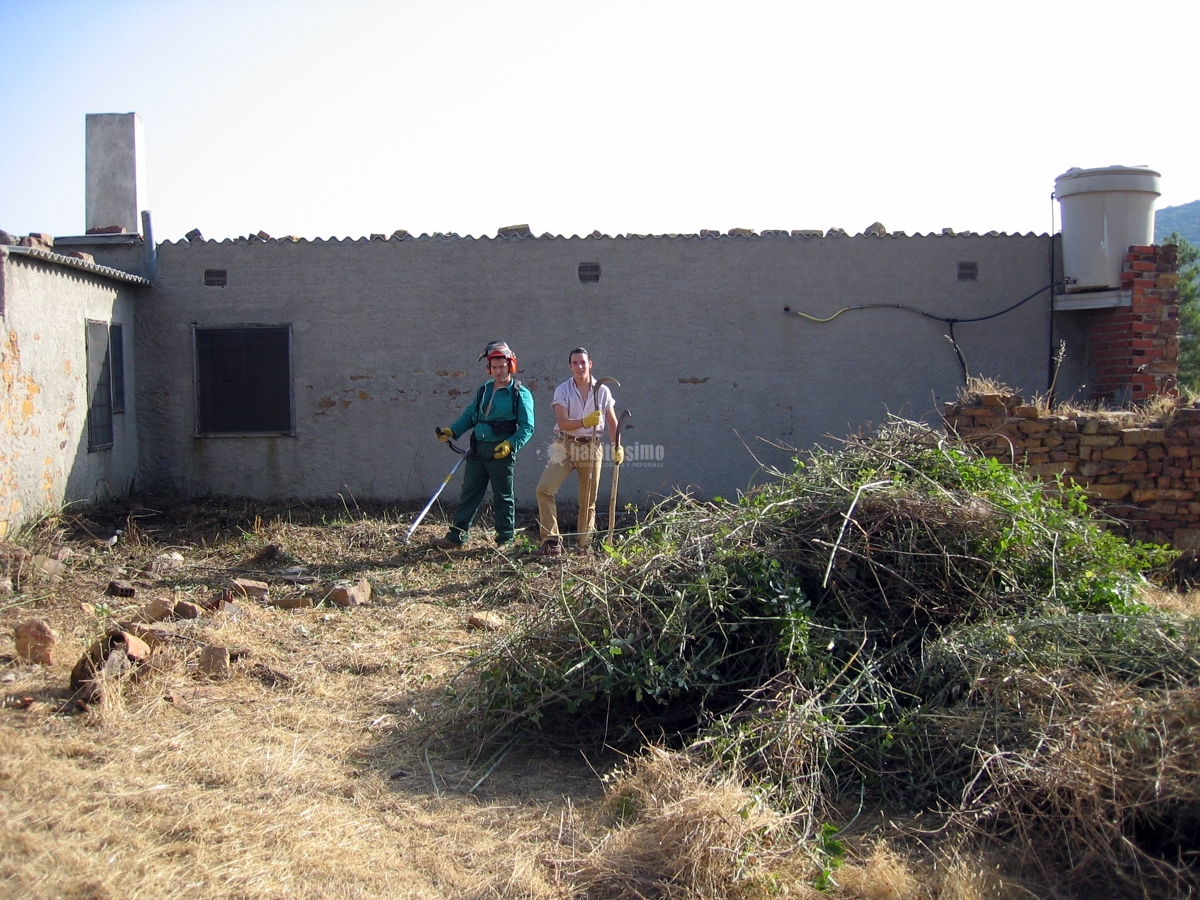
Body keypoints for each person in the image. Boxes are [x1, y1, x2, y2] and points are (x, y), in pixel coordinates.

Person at [430, 341, 534, 548]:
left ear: (510, 366)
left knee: (503, 497)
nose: (498, 371)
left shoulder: (520, 394)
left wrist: (510, 445)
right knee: (469, 494)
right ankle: (456, 537)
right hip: (477, 450)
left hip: (501, 452)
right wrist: (452, 431)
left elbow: (527, 427)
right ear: (489, 368)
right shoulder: (484, 390)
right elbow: (471, 415)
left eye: (502, 367)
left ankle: (505, 539)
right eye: (494, 367)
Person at [535, 347, 625, 555]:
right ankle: (551, 542)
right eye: (575, 363)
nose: (579, 366)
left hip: (592, 447)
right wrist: (584, 421)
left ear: (590, 364)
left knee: (588, 501)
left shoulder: (602, 391)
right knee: (544, 489)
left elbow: (612, 423)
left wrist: (617, 446)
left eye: (583, 362)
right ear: (570, 366)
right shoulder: (562, 390)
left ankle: (584, 547)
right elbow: (563, 422)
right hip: (565, 445)